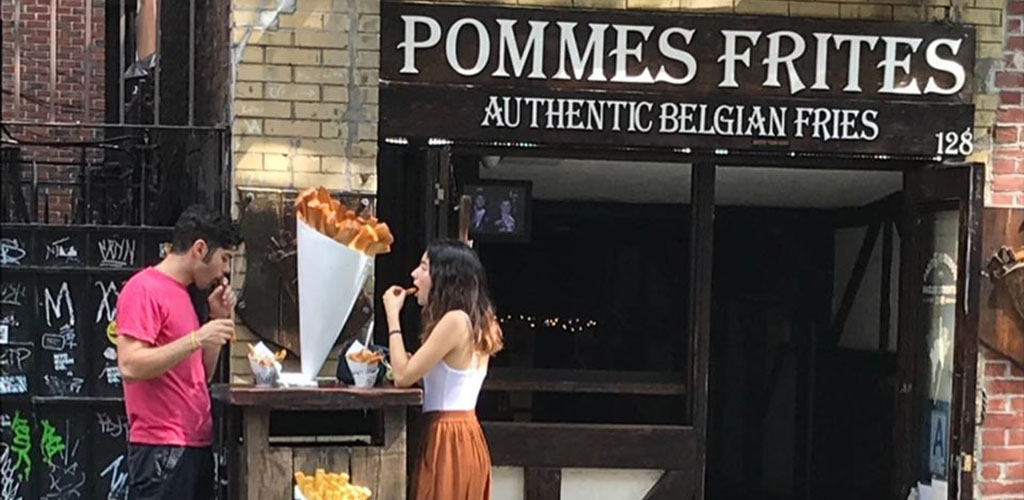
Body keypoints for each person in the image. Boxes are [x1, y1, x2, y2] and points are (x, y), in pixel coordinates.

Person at [115, 205, 242, 500]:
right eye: (225, 258)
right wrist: (197, 338)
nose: (225, 271)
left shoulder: (182, 294)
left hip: (193, 444)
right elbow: (130, 365)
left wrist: (217, 319)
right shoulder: (144, 288)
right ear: (200, 249)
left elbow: (200, 375)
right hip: (162, 449)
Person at [382, 239, 504, 500]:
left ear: (445, 277)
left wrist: (392, 316)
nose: (414, 274)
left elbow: (402, 377)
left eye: (424, 267)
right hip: (465, 434)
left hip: (447, 437)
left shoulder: (455, 321)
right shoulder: (477, 320)